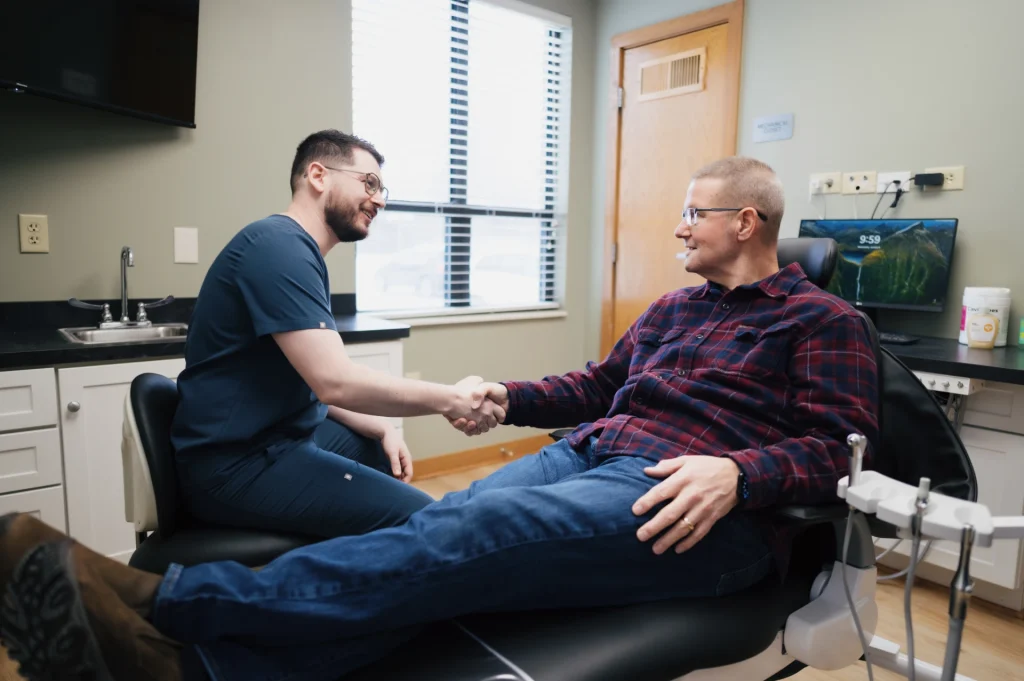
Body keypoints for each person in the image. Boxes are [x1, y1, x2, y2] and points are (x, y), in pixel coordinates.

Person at [0, 157, 880, 681]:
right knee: (448, 528)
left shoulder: (824, 322)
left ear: (747, 219)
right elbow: (596, 383)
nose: (680, 227)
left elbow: (842, 454)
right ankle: (202, 667)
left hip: (690, 501)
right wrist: (499, 396)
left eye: (694, 212)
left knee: (474, 536)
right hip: (594, 452)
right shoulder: (673, 310)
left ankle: (173, 606)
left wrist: (739, 473)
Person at [168, 129, 504, 539]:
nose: (380, 199)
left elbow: (313, 382)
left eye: (382, 188)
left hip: (277, 438)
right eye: (369, 183)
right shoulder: (278, 248)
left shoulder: (294, 249)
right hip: (234, 466)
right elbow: (334, 382)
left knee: (381, 454)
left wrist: (381, 426)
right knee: (435, 522)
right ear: (318, 175)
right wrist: (453, 399)